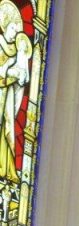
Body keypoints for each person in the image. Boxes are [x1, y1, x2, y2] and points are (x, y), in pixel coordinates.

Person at [0, 0, 31, 185]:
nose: (15, 32)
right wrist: (8, 71)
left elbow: (22, 76)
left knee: (7, 129)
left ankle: (5, 167)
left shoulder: (17, 49)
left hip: (8, 96)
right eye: (12, 28)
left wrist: (19, 75)